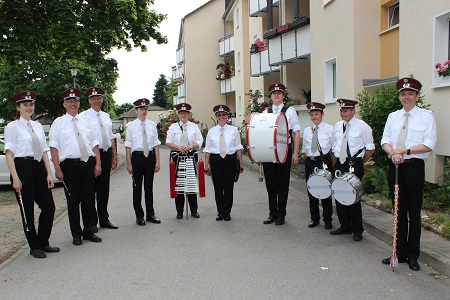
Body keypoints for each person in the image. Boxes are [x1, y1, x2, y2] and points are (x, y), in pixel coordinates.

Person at [380, 77, 436, 271]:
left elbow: (429, 144)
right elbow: (385, 140)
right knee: (398, 212)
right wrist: (392, 152)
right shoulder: (392, 116)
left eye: (410, 93)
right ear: (400, 97)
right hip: (395, 167)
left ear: (416, 96)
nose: (406, 97)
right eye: (403, 94)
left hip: (413, 167)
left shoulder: (426, 116)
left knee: (414, 213)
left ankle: (413, 255)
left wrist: (404, 151)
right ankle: (399, 253)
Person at [4, 90, 59, 258]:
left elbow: (44, 151)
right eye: (25, 104)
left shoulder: (37, 126)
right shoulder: (12, 127)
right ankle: (34, 246)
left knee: (49, 207)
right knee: (27, 210)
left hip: (39, 167)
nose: (29, 107)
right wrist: (15, 178)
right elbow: (9, 154)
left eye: (31, 104)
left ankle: (43, 242)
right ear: (18, 107)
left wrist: (49, 174)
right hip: (22, 167)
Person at [49, 88, 102, 246]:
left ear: (79, 103)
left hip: (87, 164)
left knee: (88, 199)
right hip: (69, 165)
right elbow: (54, 147)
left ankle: (89, 231)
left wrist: (98, 163)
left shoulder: (86, 121)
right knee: (73, 201)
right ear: (64, 104)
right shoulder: (58, 123)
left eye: (76, 101)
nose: (73, 104)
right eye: (69, 101)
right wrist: (57, 168)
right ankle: (76, 234)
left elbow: (94, 143)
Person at [330, 99, 375, 241]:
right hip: (340, 164)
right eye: (341, 110)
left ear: (353, 111)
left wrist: (360, 163)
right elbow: (335, 146)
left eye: (346, 110)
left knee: (353, 197)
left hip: (354, 164)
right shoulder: (337, 126)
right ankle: (345, 225)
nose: (343, 113)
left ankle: (357, 229)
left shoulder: (363, 127)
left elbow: (370, 148)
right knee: (340, 195)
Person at [80, 87, 118, 232]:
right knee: (91, 190)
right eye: (93, 98)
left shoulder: (106, 116)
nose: (96, 101)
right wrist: (97, 161)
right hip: (93, 156)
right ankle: (92, 221)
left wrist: (114, 156)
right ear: (89, 100)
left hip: (106, 153)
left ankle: (104, 218)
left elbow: (111, 138)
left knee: (104, 189)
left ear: (102, 100)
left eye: (99, 98)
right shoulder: (84, 117)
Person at [262, 83, 301, 225]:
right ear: (271, 96)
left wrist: (295, 152)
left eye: (279, 93)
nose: (276, 95)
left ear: (283, 95)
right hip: (269, 152)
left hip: (284, 151)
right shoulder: (266, 112)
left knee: (283, 184)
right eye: (274, 93)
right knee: (270, 183)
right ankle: (272, 213)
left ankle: (281, 214)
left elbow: (296, 132)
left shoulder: (290, 111)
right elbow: (262, 133)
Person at [204, 105, 244, 221]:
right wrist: (206, 164)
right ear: (216, 117)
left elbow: (238, 147)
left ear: (227, 117)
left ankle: (227, 212)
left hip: (229, 160)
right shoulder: (211, 131)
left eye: (224, 115)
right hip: (216, 160)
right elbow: (208, 149)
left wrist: (241, 162)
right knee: (218, 188)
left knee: (228, 188)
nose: (221, 117)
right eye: (219, 115)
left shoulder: (233, 130)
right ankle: (220, 212)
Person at [125, 98, 161, 226]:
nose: (144, 111)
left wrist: (157, 161)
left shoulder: (152, 125)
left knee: (149, 188)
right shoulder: (130, 126)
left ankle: (150, 214)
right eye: (141, 108)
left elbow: (156, 144)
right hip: (137, 157)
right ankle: (139, 216)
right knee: (137, 188)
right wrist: (129, 163)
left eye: (145, 108)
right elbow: (128, 145)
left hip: (149, 157)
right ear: (136, 110)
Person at [165, 103, 203, 219]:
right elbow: (168, 142)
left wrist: (190, 146)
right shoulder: (173, 127)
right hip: (178, 156)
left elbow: (200, 141)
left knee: (191, 183)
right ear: (178, 114)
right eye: (181, 113)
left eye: (185, 113)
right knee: (179, 185)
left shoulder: (194, 127)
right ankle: (179, 211)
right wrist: (179, 147)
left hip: (191, 156)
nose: (183, 115)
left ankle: (194, 210)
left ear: (189, 114)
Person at [302, 102, 334, 229]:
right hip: (310, 161)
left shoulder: (330, 129)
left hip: (323, 161)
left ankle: (328, 219)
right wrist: (307, 162)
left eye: (316, 114)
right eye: (312, 114)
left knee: (325, 190)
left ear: (322, 114)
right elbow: (305, 149)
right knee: (312, 190)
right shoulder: (307, 130)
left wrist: (330, 165)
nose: (314, 117)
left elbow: (334, 149)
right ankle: (314, 218)